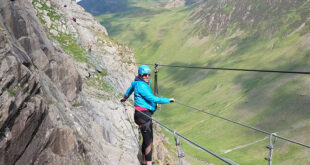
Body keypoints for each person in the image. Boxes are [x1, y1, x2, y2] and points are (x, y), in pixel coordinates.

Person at [121, 65, 174, 165]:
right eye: (145, 75)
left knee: (145, 139)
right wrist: (167, 100)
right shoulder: (142, 86)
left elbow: (129, 90)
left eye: (149, 75)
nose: (147, 77)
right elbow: (152, 98)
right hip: (144, 115)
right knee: (149, 141)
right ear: (140, 75)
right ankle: (149, 163)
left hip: (139, 115)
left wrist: (124, 98)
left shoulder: (136, 83)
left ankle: (144, 161)